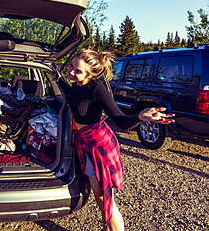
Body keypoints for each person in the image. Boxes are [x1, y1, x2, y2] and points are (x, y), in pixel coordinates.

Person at [56, 48, 175, 231]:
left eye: (77, 71)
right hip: (86, 142)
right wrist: (56, 78)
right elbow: (74, 96)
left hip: (99, 145)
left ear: (91, 73)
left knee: (105, 199)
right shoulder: (78, 85)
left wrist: (140, 116)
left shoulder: (97, 89)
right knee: (100, 197)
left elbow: (120, 121)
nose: (71, 71)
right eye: (71, 66)